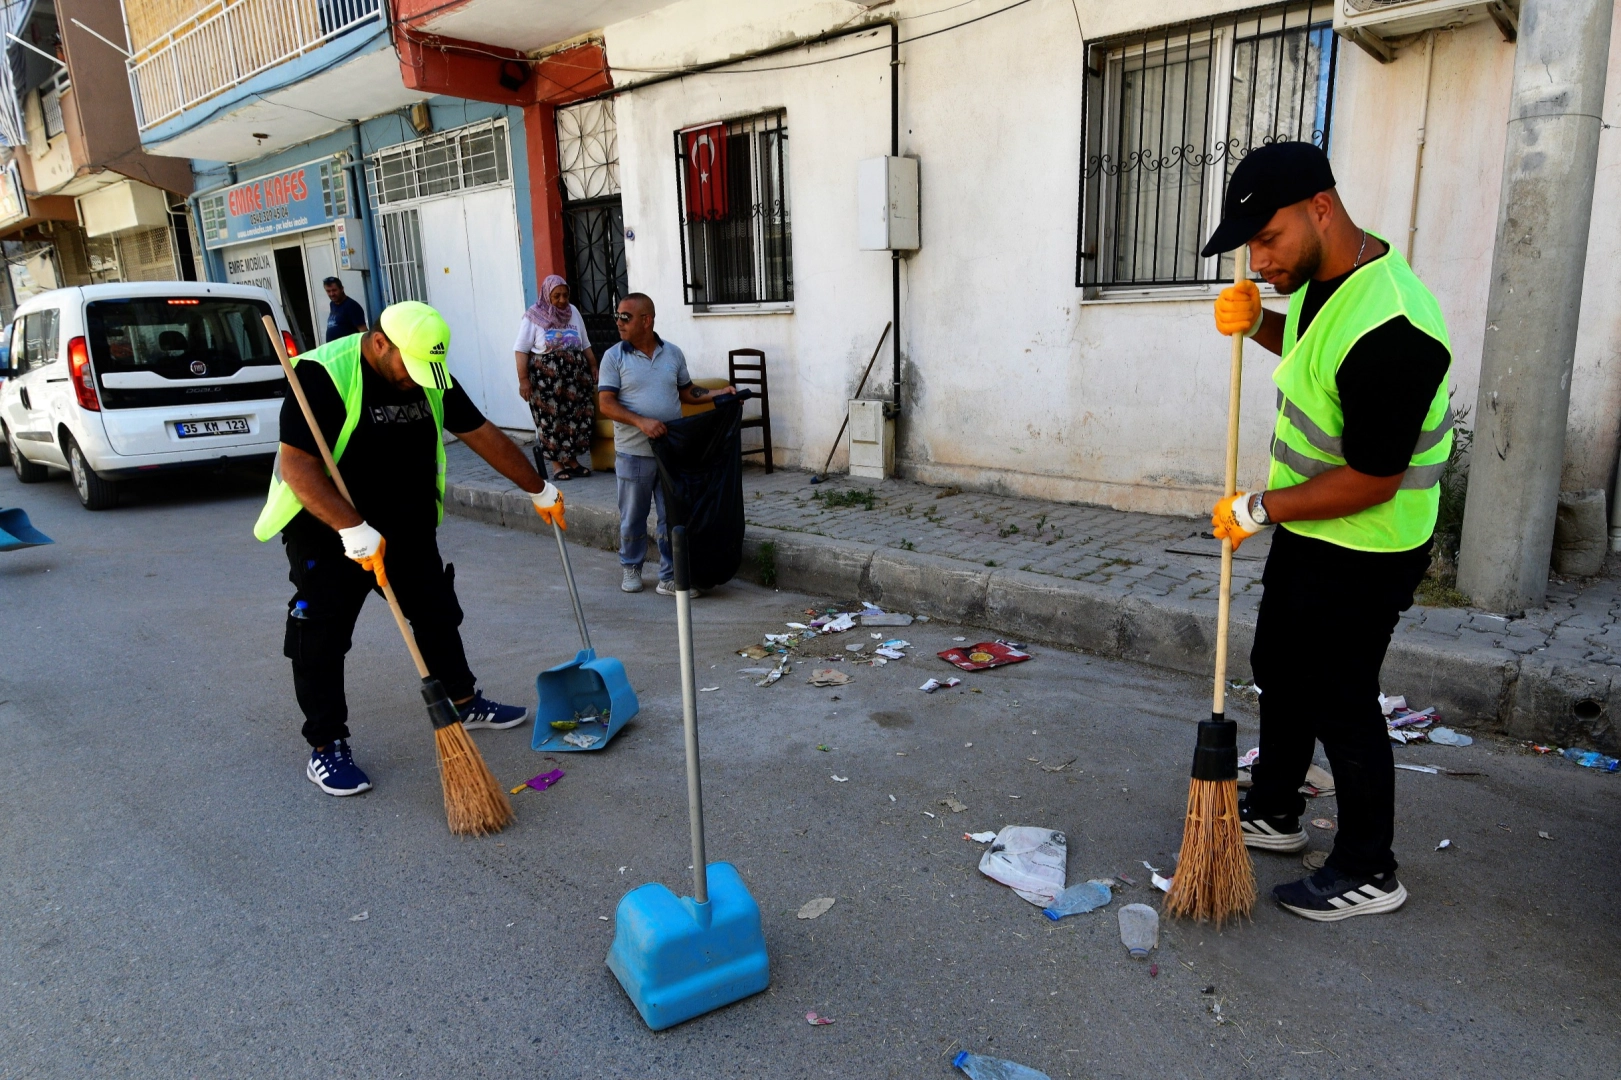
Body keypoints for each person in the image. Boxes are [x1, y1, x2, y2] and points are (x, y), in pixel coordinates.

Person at [1203, 142, 1452, 921]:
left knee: (1341, 696)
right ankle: (1276, 810)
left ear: (1319, 208)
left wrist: (1259, 508)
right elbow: (1317, 359)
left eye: (1266, 239)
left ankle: (1367, 867)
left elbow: (1374, 476)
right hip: (1316, 527)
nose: (1259, 259)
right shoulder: (1323, 279)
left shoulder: (1397, 327)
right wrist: (1260, 327)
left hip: (1371, 539)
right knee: (1278, 662)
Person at [253, 301, 568, 797]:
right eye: (410, 368)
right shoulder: (321, 376)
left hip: (407, 524)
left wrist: (537, 488)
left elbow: (479, 431)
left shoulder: (428, 371)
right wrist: (352, 527)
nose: (418, 381)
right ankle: (327, 745)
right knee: (322, 636)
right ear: (380, 342)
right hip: (330, 528)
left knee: (438, 611)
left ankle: (463, 700)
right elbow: (298, 469)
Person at [596, 293, 731, 595]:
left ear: (646, 320)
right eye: (617, 316)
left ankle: (669, 576)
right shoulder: (614, 357)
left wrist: (718, 393)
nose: (619, 322)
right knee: (634, 515)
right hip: (635, 453)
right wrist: (641, 422)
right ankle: (631, 567)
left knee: (672, 516)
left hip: (670, 452)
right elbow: (606, 404)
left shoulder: (672, 354)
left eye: (625, 317)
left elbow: (686, 391)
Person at [514, 274, 597, 481]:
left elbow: (584, 342)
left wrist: (593, 365)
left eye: (565, 295)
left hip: (575, 377)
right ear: (546, 295)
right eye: (556, 296)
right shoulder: (533, 316)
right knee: (550, 420)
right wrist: (523, 380)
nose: (562, 300)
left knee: (576, 416)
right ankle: (557, 465)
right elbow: (521, 349)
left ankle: (572, 461)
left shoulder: (573, 312)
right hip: (545, 380)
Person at [323, 278, 368, 343]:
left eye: (334, 290)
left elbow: (363, 331)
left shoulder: (351, 306)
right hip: (333, 350)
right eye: (328, 291)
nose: (332, 294)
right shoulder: (332, 304)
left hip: (347, 350)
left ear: (342, 289)